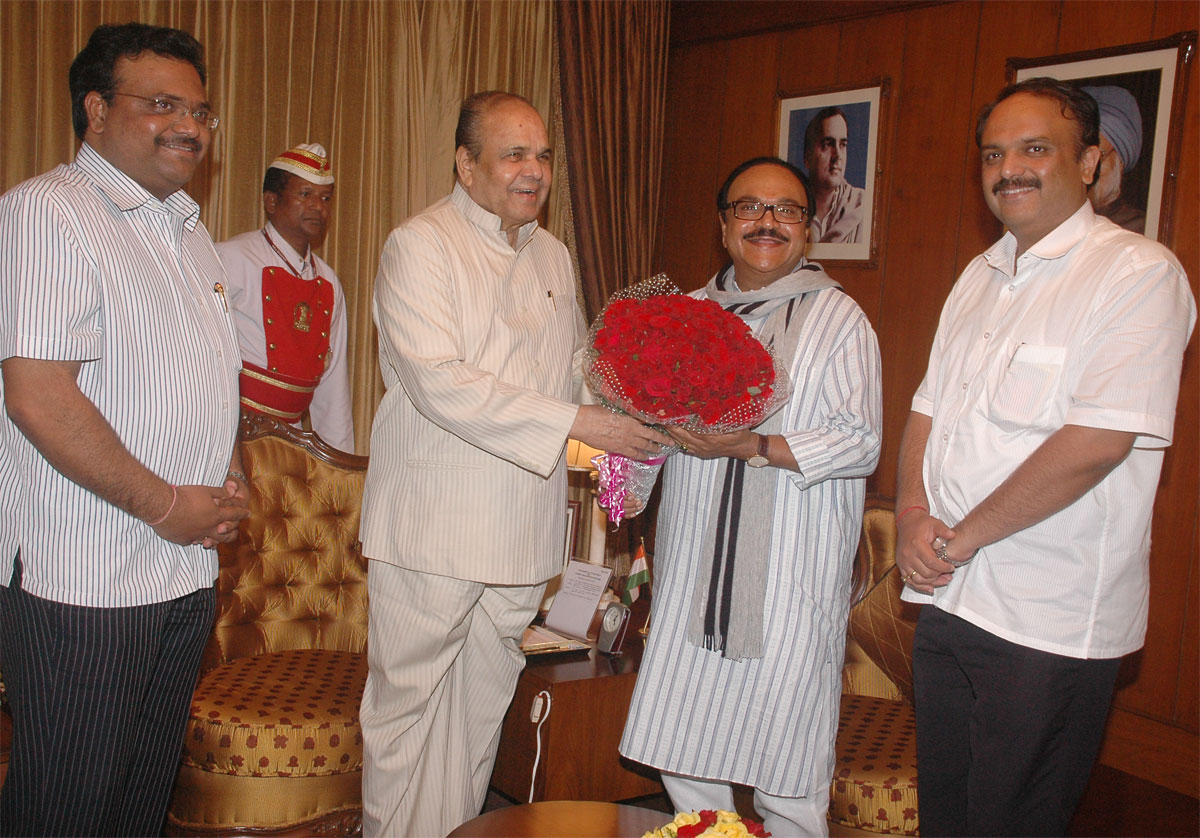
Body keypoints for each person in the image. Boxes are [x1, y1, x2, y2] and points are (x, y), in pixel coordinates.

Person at [357, 90, 669, 837]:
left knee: (479, 716)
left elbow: (566, 371)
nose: (533, 171)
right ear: (466, 165)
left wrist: (642, 388)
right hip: (434, 529)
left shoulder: (552, 253)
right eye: (513, 154)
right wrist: (580, 419)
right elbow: (439, 380)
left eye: (542, 156)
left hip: (524, 529)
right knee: (407, 717)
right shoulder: (419, 244)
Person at [895, 77, 1195, 836]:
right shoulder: (979, 273)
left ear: (1091, 162)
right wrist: (909, 513)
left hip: (1046, 623)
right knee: (948, 820)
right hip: (947, 600)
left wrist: (961, 537)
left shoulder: (1138, 275)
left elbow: (1096, 443)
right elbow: (928, 408)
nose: (1009, 170)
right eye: (994, 153)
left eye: (1036, 148)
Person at [0, 22, 249, 835]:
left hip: (180, 572)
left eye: (201, 111)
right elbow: (39, 395)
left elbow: (200, 379)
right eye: (163, 104)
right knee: (68, 808)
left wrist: (227, 474)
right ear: (96, 110)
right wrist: (162, 504)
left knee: (139, 803)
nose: (190, 125)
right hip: (86, 578)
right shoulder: (48, 214)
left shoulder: (190, 231)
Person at [619, 156, 882, 837]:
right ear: (723, 224)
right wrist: (632, 457)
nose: (767, 221)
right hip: (693, 570)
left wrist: (753, 446)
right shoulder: (682, 317)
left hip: (790, 578)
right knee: (687, 746)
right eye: (749, 207)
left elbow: (859, 442)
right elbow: (646, 437)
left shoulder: (840, 320)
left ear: (809, 230)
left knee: (789, 759)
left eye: (786, 210)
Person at [217, 142, 355, 452]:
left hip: (289, 446)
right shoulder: (231, 259)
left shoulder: (328, 281)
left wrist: (338, 462)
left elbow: (333, 388)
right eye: (305, 195)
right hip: (230, 436)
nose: (318, 207)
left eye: (326, 197)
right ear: (271, 201)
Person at [1082, 84, 1146, 234]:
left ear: (1121, 162)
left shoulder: (1141, 228)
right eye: (1079, 156)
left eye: (1097, 157)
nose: (1086, 167)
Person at [803, 107, 865, 243]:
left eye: (843, 145)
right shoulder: (792, 208)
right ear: (807, 157)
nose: (837, 156)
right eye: (828, 145)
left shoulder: (862, 205)